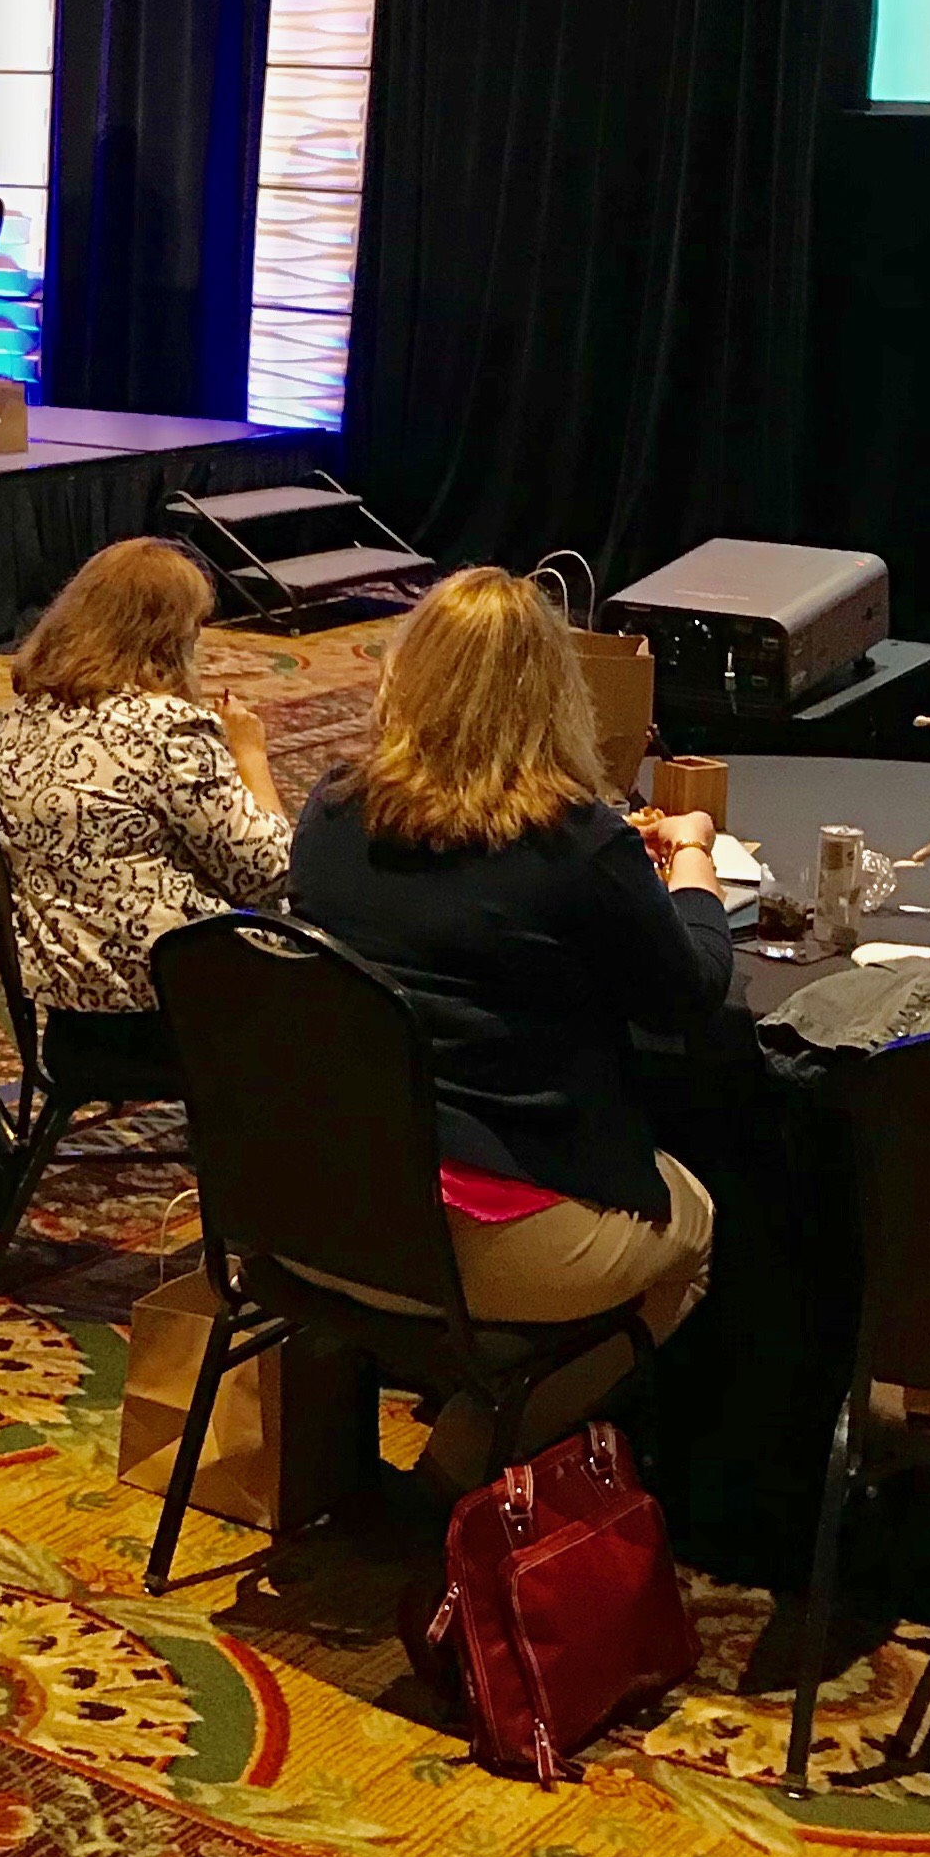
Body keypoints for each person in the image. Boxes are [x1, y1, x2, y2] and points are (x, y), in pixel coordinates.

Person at [287, 566, 731, 1481]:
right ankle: (475, 1446)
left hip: (319, 1209)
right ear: (551, 694)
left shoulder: (329, 813)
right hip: (486, 1242)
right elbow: (689, 995)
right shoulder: (576, 842)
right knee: (696, 1229)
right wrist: (691, 864)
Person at [0, 540, 288, 1089]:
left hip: (68, 1008)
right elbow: (270, 869)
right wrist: (250, 756)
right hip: (168, 1013)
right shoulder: (167, 731)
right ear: (166, 638)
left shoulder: (19, 716)